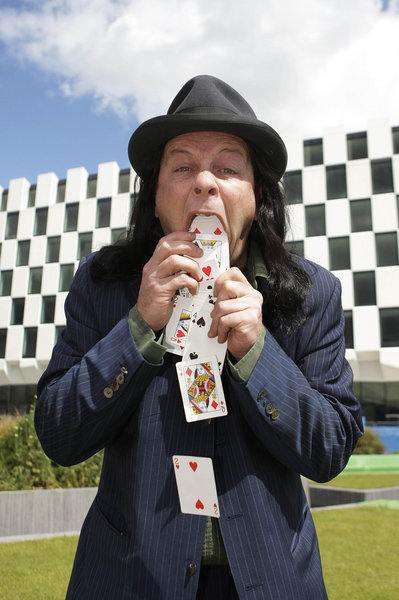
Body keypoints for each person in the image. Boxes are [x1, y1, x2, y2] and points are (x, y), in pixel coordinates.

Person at [35, 75, 363, 599]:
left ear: (257, 198)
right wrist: (140, 326)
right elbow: (57, 434)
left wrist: (257, 351)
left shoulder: (311, 294)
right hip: (132, 578)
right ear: (157, 198)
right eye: (183, 166)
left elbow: (330, 449)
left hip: (269, 579)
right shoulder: (103, 284)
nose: (205, 182)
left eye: (228, 168)